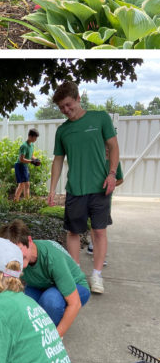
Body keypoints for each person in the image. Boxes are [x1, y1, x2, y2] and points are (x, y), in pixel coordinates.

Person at [48, 81, 120, 295]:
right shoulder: (63, 131)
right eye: (62, 108)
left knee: (99, 230)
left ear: (79, 98)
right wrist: (52, 188)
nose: (66, 110)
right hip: (76, 189)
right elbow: (58, 160)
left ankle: (97, 275)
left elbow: (113, 146)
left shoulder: (99, 119)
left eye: (69, 105)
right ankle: (76, 274)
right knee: (73, 231)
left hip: (100, 187)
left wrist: (112, 174)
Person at [0, 219, 90, 338]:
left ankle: (49, 333)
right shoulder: (12, 260)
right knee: (23, 304)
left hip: (77, 287)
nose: (16, 258)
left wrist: (54, 339)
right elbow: (5, 293)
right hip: (42, 285)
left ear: (30, 241)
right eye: (10, 252)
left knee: (50, 301)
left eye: (19, 250)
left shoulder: (52, 258)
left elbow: (75, 303)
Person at [14, 129, 40, 202]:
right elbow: (21, 159)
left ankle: (26, 202)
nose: (35, 139)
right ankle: (16, 201)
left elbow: (31, 156)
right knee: (22, 184)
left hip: (24, 166)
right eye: (35, 137)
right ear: (30, 136)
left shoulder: (31, 145)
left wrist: (36, 160)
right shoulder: (24, 146)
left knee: (26, 184)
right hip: (19, 165)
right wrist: (32, 162)